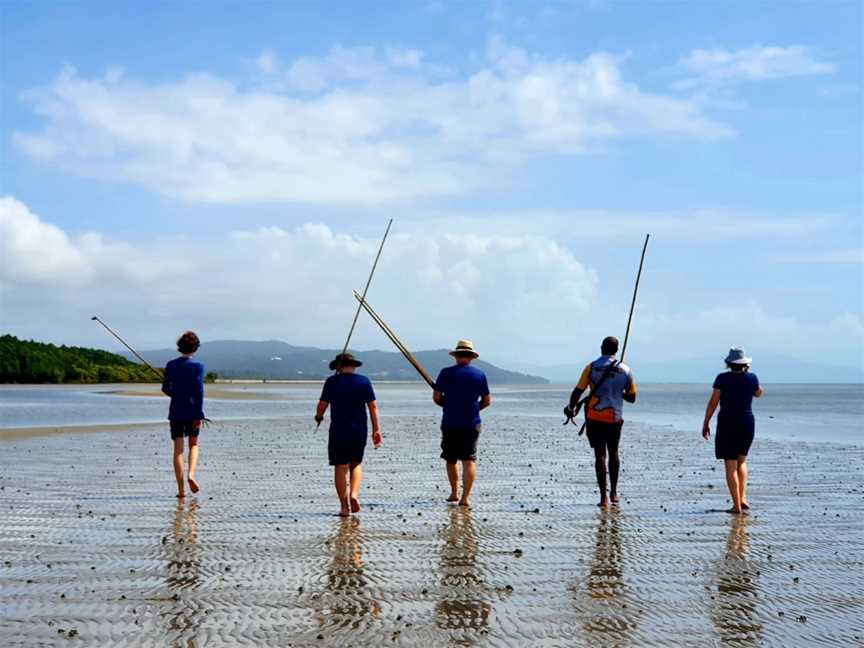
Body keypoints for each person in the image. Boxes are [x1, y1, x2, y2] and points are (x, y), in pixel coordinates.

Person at [564, 336, 637, 508]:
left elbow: (577, 391)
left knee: (600, 455)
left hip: (594, 418)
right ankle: (614, 493)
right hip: (615, 418)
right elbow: (632, 398)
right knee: (614, 452)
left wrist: (571, 407)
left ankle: (603, 497)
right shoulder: (625, 369)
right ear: (617, 350)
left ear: (601, 348)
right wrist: (621, 393)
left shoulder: (591, 367)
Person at [315, 353, 381, 517]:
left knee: (341, 466)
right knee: (356, 464)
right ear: (354, 365)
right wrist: (376, 430)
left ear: (338, 366)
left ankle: (344, 507)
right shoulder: (364, 381)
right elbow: (373, 407)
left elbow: (322, 405)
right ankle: (354, 495)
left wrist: (318, 416)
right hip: (359, 429)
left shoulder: (332, 382)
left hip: (339, 430)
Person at [702, 347, 764, 514]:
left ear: (728, 363)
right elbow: (759, 393)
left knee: (730, 465)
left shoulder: (722, 378)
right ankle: (743, 498)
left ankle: (736, 506)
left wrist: (706, 422)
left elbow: (714, 402)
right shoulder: (752, 378)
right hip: (746, 422)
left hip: (727, 423)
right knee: (742, 461)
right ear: (745, 364)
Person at [433, 340, 492, 509]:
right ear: (471, 357)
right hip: (472, 422)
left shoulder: (445, 373)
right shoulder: (480, 375)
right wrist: (474, 409)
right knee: (469, 460)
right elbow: (487, 401)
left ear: (457, 356)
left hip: (450, 421)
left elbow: (437, 398)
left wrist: (448, 404)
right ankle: (465, 497)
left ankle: (454, 492)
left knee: (451, 459)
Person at [161, 331, 206, 499]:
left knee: (178, 450)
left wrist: (176, 393)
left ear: (180, 347)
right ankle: (191, 475)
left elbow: (165, 388)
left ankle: (181, 491)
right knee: (193, 445)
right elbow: (199, 391)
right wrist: (199, 414)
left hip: (176, 412)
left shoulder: (171, 365)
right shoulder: (198, 366)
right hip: (193, 411)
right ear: (195, 348)